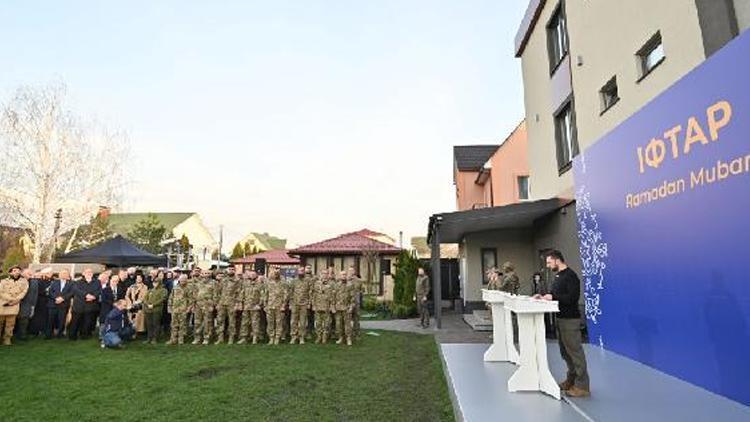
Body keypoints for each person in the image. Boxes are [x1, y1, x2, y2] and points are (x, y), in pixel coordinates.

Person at [536, 250, 590, 398]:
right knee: (565, 353)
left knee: (575, 352)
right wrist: (543, 297)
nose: (547, 266)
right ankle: (571, 380)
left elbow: (572, 298)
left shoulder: (571, 276)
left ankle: (583, 386)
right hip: (560, 319)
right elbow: (555, 294)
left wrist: (553, 296)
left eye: (549, 262)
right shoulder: (558, 276)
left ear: (557, 260)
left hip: (570, 320)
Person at [68, 268, 101, 340]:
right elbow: (77, 290)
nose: (89, 273)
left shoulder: (97, 282)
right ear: (83, 273)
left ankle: (84, 336)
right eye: (87, 272)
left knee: (87, 322)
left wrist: (94, 296)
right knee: (75, 322)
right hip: (79, 306)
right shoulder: (77, 282)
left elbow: (99, 290)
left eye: (90, 272)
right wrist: (86, 295)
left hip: (90, 305)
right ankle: (72, 336)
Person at [0, 266, 29, 346]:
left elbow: (24, 292)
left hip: (14, 305)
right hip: (3, 304)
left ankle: (7, 339)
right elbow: (1, 292)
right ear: (10, 272)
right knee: (0, 322)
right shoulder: (3, 281)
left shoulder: (24, 282)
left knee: (10, 324)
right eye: (14, 270)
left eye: (19, 270)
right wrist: (10, 299)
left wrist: (16, 300)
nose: (17, 272)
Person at [214, 268, 242, 345]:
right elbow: (218, 291)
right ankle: (220, 338)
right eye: (230, 269)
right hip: (222, 303)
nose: (231, 271)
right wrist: (217, 303)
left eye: (233, 269)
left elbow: (239, 293)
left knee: (232, 321)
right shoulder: (223, 280)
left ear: (234, 271)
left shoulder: (237, 281)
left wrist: (237, 303)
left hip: (232, 303)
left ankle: (231, 338)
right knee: (220, 320)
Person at [238, 270, 264, 345]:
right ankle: (244, 337)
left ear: (256, 275)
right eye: (251, 275)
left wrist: (259, 304)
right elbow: (241, 293)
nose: (252, 276)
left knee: (255, 323)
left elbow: (263, 295)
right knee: (244, 322)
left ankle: (255, 338)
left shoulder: (260, 284)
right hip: (246, 306)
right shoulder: (245, 284)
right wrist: (240, 303)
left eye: (254, 274)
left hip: (255, 306)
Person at [263, 268, 288, 345]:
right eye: (275, 273)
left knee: (279, 323)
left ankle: (277, 337)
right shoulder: (268, 283)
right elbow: (265, 294)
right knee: (270, 322)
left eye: (277, 273)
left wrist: (283, 305)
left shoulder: (283, 283)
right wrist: (265, 305)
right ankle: (271, 337)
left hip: (279, 306)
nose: (276, 275)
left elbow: (286, 295)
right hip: (270, 306)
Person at [191, 269, 216, 345]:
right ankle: (197, 338)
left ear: (210, 274)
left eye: (207, 273)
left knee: (207, 322)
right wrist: (193, 305)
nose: (206, 274)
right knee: (197, 322)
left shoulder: (214, 283)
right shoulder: (198, 283)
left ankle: (206, 338)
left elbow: (215, 295)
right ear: (201, 274)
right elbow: (194, 294)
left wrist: (213, 305)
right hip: (198, 304)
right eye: (204, 273)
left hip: (208, 305)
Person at [47, 269, 73, 339]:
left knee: (62, 320)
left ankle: (60, 334)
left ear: (68, 275)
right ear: (59, 275)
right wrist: (56, 298)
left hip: (64, 305)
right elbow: (50, 292)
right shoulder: (54, 282)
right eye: (62, 273)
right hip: (53, 304)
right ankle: (49, 334)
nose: (64, 275)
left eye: (65, 273)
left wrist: (62, 298)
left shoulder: (71, 283)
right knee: (50, 320)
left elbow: (71, 293)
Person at [289, 267, 312, 345]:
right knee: (293, 321)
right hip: (295, 304)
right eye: (299, 271)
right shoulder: (294, 281)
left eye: (302, 271)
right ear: (297, 272)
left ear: (304, 272)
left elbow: (310, 292)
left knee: (303, 322)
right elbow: (290, 292)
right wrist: (291, 303)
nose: (301, 272)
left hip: (304, 304)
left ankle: (301, 337)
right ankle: (293, 337)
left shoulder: (308, 281)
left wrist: (309, 303)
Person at [14, 269, 39, 341]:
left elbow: (35, 294)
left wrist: (33, 305)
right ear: (23, 273)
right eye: (28, 273)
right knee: (12, 320)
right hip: (16, 302)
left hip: (27, 304)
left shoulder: (34, 282)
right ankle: (11, 334)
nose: (30, 275)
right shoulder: (17, 279)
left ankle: (22, 335)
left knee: (24, 320)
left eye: (30, 274)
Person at [332, 270, 355, 346]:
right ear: (340, 276)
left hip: (347, 308)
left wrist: (351, 306)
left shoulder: (350, 285)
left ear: (346, 275)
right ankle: (341, 338)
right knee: (338, 325)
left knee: (347, 325)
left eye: (345, 275)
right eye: (342, 275)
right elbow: (333, 297)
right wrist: (333, 306)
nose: (343, 276)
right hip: (338, 308)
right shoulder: (336, 285)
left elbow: (352, 297)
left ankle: (348, 338)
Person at [143, 272, 167, 344]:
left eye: (156, 282)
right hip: (148, 310)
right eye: (154, 282)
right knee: (149, 324)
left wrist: (153, 305)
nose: (155, 284)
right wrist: (147, 304)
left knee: (156, 324)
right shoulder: (150, 290)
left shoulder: (163, 290)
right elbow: (145, 298)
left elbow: (162, 299)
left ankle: (155, 338)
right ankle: (149, 338)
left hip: (157, 310)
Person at [166, 274, 191, 345]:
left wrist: (189, 308)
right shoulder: (175, 287)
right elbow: (171, 297)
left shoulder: (188, 288)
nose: (183, 281)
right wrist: (169, 307)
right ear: (179, 280)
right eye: (181, 280)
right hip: (175, 309)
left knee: (182, 325)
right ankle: (173, 339)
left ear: (186, 280)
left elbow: (191, 299)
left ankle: (181, 340)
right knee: (173, 325)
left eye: (184, 280)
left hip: (183, 309)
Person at [311, 269, 333, 344]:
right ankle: (319, 337)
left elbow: (333, 296)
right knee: (318, 323)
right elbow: (313, 295)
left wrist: (332, 306)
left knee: (326, 323)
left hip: (327, 306)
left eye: (326, 274)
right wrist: (313, 305)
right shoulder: (316, 284)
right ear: (320, 274)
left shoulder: (331, 284)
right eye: (323, 273)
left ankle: (324, 337)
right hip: (318, 306)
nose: (325, 275)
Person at [29, 268, 52, 337]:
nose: (50, 274)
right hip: (39, 301)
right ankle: (35, 331)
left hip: (47, 302)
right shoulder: (38, 281)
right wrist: (46, 291)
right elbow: (37, 291)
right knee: (37, 317)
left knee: (45, 317)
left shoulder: (51, 281)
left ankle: (42, 330)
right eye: (48, 273)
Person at [347, 266, 363, 338]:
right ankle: (348, 333)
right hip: (348, 302)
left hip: (356, 302)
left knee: (356, 319)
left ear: (354, 272)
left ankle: (356, 333)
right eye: (349, 271)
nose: (351, 272)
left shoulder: (359, 281)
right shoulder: (346, 280)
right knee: (348, 318)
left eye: (352, 271)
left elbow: (362, 291)